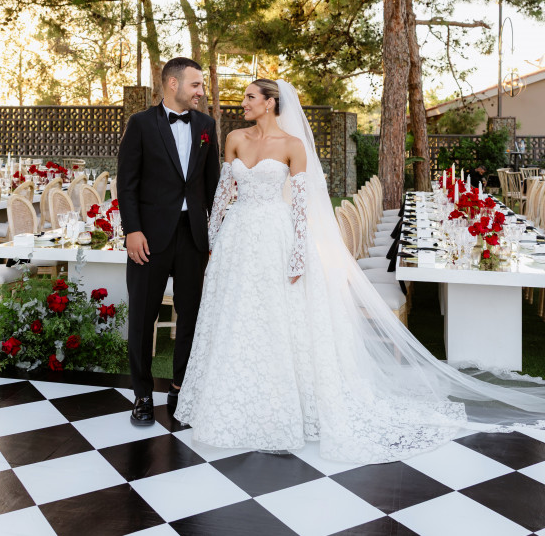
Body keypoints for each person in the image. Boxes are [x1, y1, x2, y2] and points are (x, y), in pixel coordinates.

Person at [176, 78, 545, 462]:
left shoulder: (293, 146)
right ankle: (229, 399)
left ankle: (279, 405)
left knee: (275, 317)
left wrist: (298, 254)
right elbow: (222, 196)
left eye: (250, 97)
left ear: (270, 103)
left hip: (275, 237)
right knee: (234, 315)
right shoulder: (234, 138)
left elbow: (300, 208)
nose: (243, 103)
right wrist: (211, 241)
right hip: (236, 239)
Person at [117, 58, 220, 426]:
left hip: (193, 236)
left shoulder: (206, 126)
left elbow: (212, 184)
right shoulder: (141, 123)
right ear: (173, 84)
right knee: (142, 317)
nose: (201, 91)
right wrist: (132, 230)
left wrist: (215, 233)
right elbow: (126, 182)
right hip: (148, 237)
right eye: (196, 84)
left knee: (190, 315)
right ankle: (142, 395)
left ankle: (180, 389)